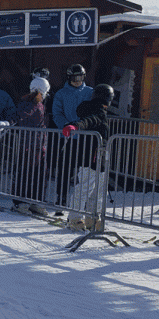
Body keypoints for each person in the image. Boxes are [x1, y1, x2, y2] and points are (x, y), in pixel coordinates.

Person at [60, 83, 115, 231]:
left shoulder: (95, 109)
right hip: (90, 157)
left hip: (99, 157)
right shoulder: (97, 111)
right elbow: (90, 120)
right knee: (85, 187)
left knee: (98, 190)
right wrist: (76, 126)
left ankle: (92, 218)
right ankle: (75, 218)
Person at [2, 76, 49, 215]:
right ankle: (20, 202)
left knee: (40, 175)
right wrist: (8, 123)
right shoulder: (30, 104)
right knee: (25, 174)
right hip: (29, 145)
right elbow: (19, 115)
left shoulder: (39, 104)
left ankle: (36, 201)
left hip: (39, 145)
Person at [51, 63, 94, 207]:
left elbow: (95, 111)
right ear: (69, 78)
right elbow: (57, 113)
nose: (77, 81)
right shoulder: (61, 94)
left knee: (86, 171)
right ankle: (62, 197)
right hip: (69, 138)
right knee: (65, 169)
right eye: (74, 78)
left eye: (80, 77)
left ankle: (83, 200)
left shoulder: (89, 92)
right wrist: (65, 125)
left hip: (86, 138)